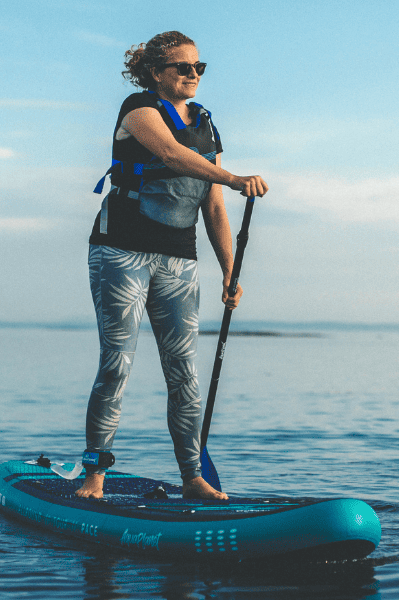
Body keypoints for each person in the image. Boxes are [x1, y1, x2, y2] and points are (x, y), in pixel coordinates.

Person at [76, 31, 267, 500]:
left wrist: (229, 271)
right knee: (116, 364)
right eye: (183, 67)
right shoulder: (137, 110)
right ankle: (95, 476)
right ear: (157, 73)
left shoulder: (207, 126)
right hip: (120, 250)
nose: (193, 74)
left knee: (184, 372)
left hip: (180, 259)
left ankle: (192, 478)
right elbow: (169, 154)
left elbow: (215, 208)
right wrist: (235, 176)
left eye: (199, 67)